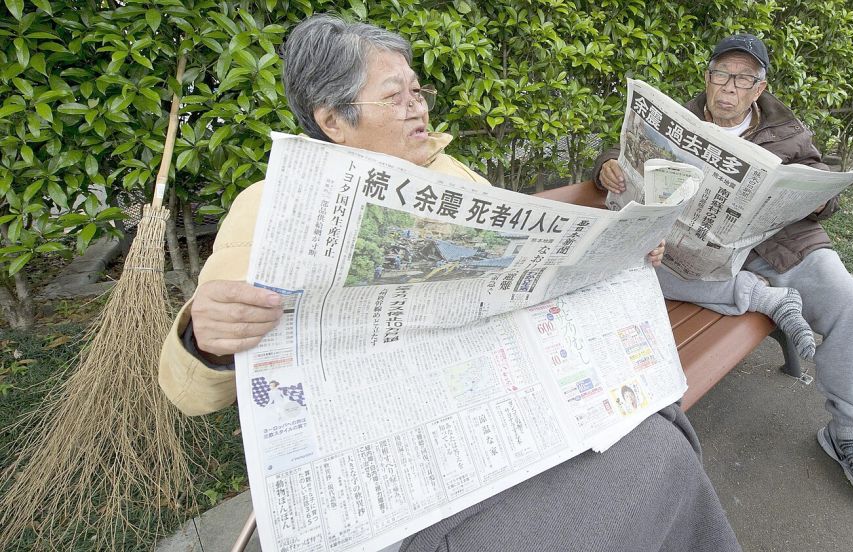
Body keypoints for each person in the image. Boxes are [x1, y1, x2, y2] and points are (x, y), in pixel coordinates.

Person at [158, 14, 740, 551]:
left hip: (511, 404)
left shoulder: (446, 172)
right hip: (408, 466)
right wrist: (204, 340)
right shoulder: (272, 208)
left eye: (417, 91)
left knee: (663, 450)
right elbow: (185, 391)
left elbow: (536, 269)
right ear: (332, 120)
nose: (418, 109)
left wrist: (621, 249)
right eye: (395, 96)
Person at [593, 33, 853, 515]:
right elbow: (621, 158)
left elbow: (821, 190)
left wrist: (822, 197)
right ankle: (763, 298)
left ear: (759, 88)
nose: (728, 88)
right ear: (708, 77)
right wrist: (606, 168)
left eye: (742, 79)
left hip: (780, 248)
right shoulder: (678, 119)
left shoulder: (786, 132)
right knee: (633, 265)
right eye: (721, 75)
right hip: (691, 251)